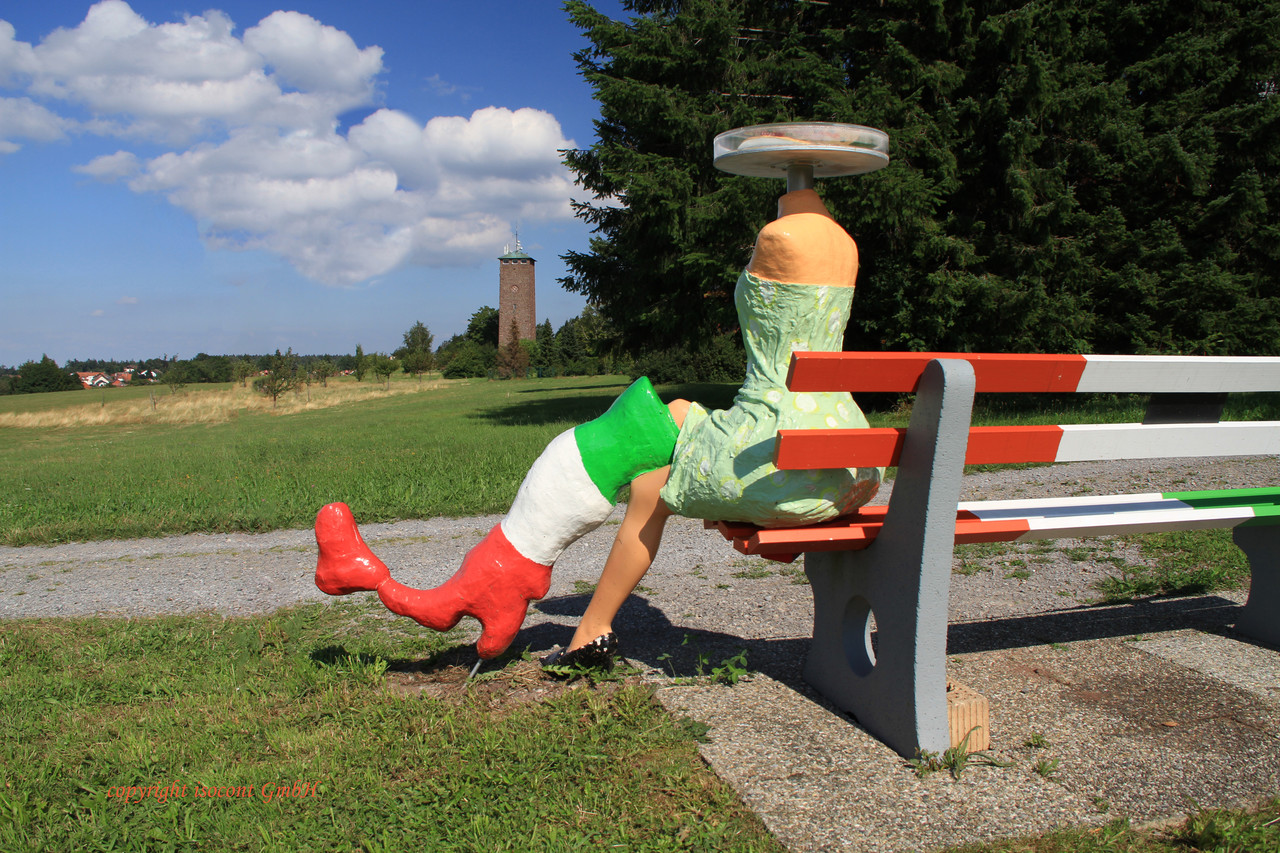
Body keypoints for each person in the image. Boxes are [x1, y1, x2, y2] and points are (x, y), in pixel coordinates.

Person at [314, 187, 881, 669]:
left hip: (782, 467)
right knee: (674, 422)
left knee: (652, 461)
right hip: (850, 466)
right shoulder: (845, 246)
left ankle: (557, 611)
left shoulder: (781, 238)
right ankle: (535, 600)